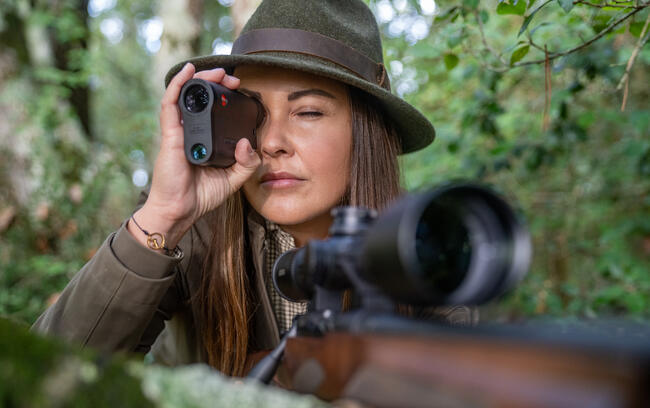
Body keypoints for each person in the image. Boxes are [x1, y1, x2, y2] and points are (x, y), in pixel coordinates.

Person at [33, 0, 474, 377]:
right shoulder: (192, 242)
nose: (270, 143)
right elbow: (47, 380)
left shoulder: (428, 251)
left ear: (368, 131)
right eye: (255, 115)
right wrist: (164, 217)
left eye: (308, 112)